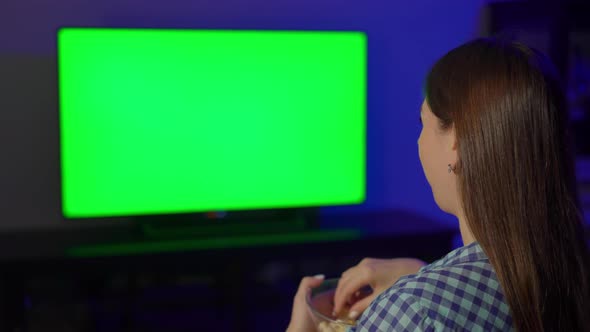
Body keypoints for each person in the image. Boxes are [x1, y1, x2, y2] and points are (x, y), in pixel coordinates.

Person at [287, 38, 590, 331]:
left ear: (456, 140)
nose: (419, 141)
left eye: (423, 123)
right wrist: (422, 273)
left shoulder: (414, 310)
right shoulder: (571, 274)